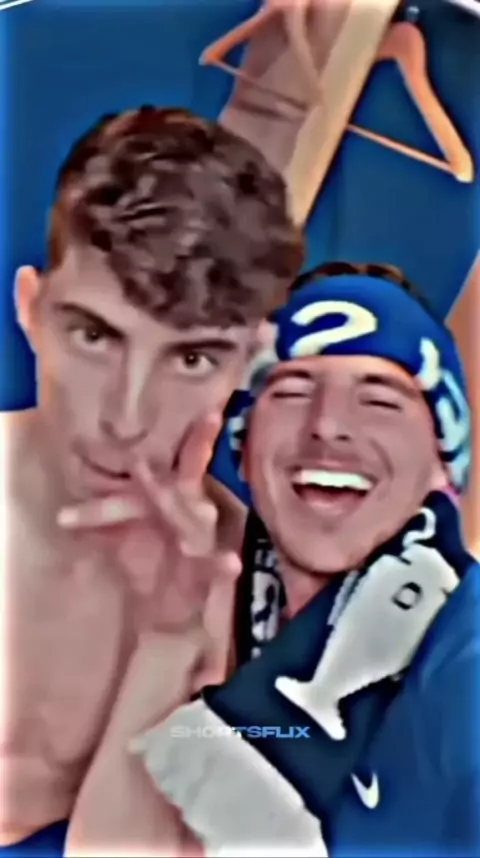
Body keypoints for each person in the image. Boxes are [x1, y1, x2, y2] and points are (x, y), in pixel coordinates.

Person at [62, 263, 479, 858]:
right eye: (292, 391)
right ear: (244, 444)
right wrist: (168, 639)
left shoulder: (464, 661)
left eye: (380, 401)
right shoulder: (222, 628)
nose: (327, 425)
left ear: (444, 459)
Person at [0, 105, 304, 847]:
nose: (128, 418)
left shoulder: (254, 591)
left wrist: (171, 640)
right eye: (95, 335)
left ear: (248, 362)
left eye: (191, 357)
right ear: (30, 309)